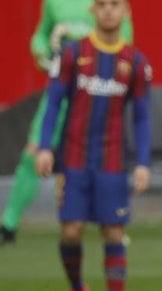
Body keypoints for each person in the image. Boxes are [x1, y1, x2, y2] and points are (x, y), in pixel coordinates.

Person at [35, 0, 149, 291]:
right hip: (73, 157)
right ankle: (76, 290)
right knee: (71, 232)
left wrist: (142, 162)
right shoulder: (72, 54)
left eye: (115, 5)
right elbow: (54, 102)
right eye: (102, 5)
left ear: (126, 12)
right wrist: (45, 147)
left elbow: (141, 117)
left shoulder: (135, 62)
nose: (108, 10)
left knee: (113, 232)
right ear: (93, 11)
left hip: (112, 161)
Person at [0, 0, 134, 246]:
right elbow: (41, 35)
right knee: (34, 153)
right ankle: (8, 224)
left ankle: (111, 222)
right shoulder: (55, 2)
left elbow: (124, 39)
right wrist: (42, 52)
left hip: (95, 95)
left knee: (100, 156)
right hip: (61, 93)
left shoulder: (106, 4)